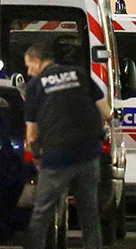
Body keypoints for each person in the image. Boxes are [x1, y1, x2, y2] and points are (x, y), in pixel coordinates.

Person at [23, 43, 111, 249]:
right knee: (89, 214)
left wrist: (36, 157)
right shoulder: (79, 74)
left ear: (37, 61)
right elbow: (106, 112)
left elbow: (32, 135)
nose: (28, 71)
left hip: (56, 158)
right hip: (88, 154)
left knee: (41, 214)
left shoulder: (35, 86)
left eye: (28, 65)